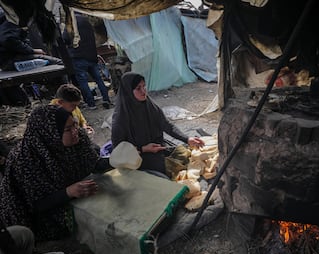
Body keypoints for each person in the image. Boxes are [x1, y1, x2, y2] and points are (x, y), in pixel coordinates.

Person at [0, 105, 111, 241]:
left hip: (71, 194)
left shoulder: (79, 138)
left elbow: (93, 164)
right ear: (50, 133)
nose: (75, 131)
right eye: (68, 129)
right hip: (39, 214)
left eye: (75, 125)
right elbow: (33, 205)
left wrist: (115, 160)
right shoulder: (25, 160)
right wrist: (68, 192)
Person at [111, 72, 205, 177]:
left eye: (144, 86)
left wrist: (187, 139)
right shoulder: (120, 118)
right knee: (165, 169)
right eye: (138, 88)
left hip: (156, 146)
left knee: (183, 154)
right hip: (136, 156)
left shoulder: (149, 105)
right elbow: (118, 150)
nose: (143, 91)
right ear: (128, 92)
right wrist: (143, 148)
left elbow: (166, 125)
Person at [63, 13, 111, 110]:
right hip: (91, 55)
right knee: (98, 79)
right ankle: (106, 99)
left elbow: (65, 38)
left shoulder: (71, 22)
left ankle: (91, 104)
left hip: (78, 57)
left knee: (83, 82)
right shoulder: (86, 21)